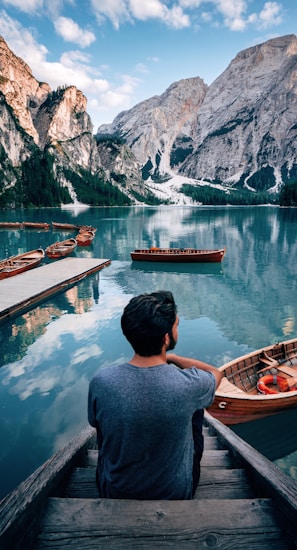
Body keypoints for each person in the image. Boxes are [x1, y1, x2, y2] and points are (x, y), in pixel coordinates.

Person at [88, 290, 223, 500]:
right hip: (176, 492)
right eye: (177, 325)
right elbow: (216, 374)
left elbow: (96, 425)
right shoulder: (187, 385)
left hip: (113, 490)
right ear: (166, 337)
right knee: (197, 408)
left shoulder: (101, 381)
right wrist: (174, 358)